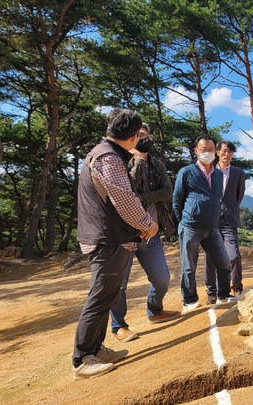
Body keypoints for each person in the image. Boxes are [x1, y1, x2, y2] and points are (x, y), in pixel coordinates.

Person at [72, 108, 158, 380]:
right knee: (99, 297)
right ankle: (82, 358)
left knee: (107, 295)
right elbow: (124, 199)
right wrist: (148, 224)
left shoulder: (103, 152)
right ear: (133, 138)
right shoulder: (108, 157)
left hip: (110, 237)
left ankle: (95, 349)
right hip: (107, 239)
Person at [108, 123, 180, 343]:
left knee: (162, 279)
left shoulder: (157, 164)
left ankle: (154, 310)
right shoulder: (120, 162)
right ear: (130, 138)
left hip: (151, 233)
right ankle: (119, 326)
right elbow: (128, 190)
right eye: (138, 136)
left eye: (145, 135)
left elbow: (167, 192)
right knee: (119, 283)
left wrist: (143, 197)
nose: (143, 139)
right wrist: (138, 161)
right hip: (125, 234)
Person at [173, 134, 235, 312]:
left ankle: (223, 295)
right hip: (191, 226)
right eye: (203, 150)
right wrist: (185, 220)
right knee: (189, 266)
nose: (207, 152)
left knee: (224, 262)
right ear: (196, 151)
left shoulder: (217, 174)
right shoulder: (186, 172)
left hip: (212, 227)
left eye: (210, 149)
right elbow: (177, 201)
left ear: (214, 152)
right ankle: (189, 300)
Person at [214, 140, 246, 296]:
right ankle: (213, 291)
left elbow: (239, 196)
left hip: (228, 219)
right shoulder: (209, 171)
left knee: (233, 255)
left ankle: (237, 287)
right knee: (211, 257)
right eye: (224, 151)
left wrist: (230, 209)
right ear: (217, 152)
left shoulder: (239, 173)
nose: (227, 154)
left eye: (230, 152)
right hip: (211, 219)